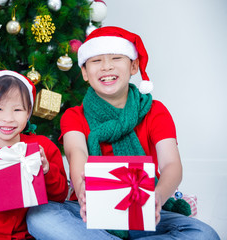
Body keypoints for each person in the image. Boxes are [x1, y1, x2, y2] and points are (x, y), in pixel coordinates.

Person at [26, 26, 220, 240]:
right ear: (84, 72)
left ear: (134, 66)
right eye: (96, 61)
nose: (106, 67)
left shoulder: (155, 111)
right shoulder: (74, 115)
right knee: (39, 216)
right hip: (91, 211)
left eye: (116, 58)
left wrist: (157, 197)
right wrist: (83, 192)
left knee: (204, 234)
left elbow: (171, 165)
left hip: (146, 207)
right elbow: (77, 155)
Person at [0, 70, 68, 240]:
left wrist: (46, 170)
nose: (8, 118)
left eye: (17, 110)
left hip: (27, 233)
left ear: (28, 111)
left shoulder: (42, 147)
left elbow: (59, 197)